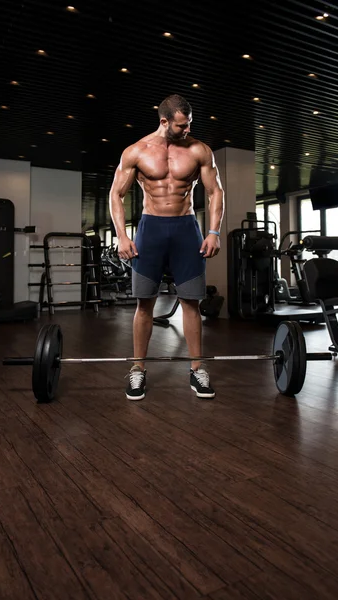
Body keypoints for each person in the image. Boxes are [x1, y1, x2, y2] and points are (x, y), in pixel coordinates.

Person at [109, 94, 225, 401]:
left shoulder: (200, 150)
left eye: (189, 124)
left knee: (191, 302)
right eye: (181, 125)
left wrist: (213, 232)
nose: (187, 130)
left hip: (186, 229)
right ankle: (137, 370)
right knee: (144, 302)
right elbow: (115, 195)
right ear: (164, 121)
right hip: (151, 229)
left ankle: (197, 369)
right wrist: (121, 236)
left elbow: (215, 192)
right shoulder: (136, 151)